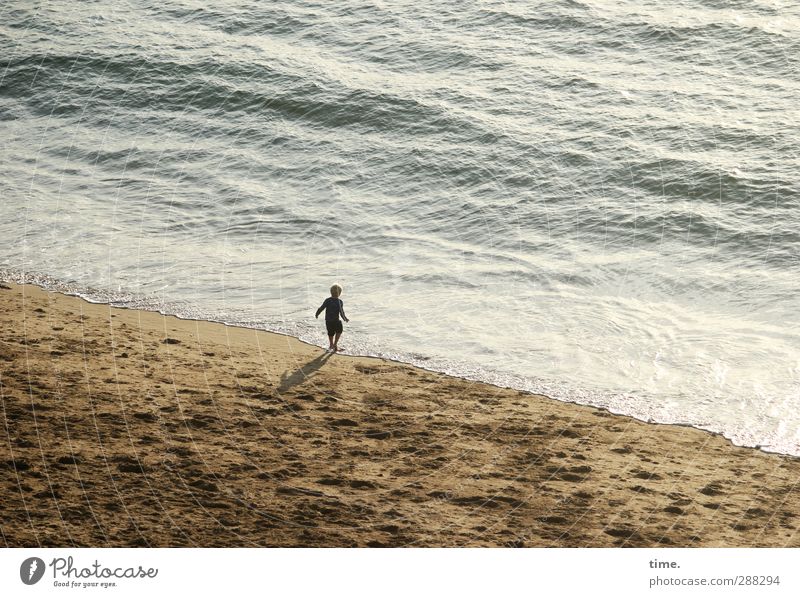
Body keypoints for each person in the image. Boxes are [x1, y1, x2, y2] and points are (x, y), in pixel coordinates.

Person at [315, 284, 349, 352]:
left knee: (330, 333)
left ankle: (331, 345)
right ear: (339, 293)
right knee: (339, 331)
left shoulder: (327, 300)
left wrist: (317, 313)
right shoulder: (339, 301)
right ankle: (335, 344)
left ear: (331, 292)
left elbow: (321, 308)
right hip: (336, 320)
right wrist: (345, 318)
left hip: (328, 320)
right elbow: (341, 312)